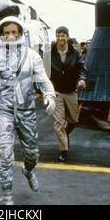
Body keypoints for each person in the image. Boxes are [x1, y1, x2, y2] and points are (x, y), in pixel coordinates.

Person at [0, 16, 55, 205]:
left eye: (13, 32)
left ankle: (27, 170)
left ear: (20, 33)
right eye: (6, 33)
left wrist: (49, 96)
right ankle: (7, 195)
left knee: (32, 153)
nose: (10, 36)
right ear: (1, 35)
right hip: (5, 110)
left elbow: (42, 79)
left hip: (27, 110)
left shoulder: (32, 56)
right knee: (5, 153)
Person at [46, 26, 86, 162]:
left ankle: (64, 134)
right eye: (58, 35)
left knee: (74, 120)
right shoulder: (49, 53)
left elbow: (82, 67)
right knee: (58, 123)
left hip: (71, 91)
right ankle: (63, 150)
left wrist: (81, 79)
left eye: (63, 35)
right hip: (56, 91)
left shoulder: (75, 53)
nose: (60, 38)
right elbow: (42, 73)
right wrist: (41, 91)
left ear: (67, 37)